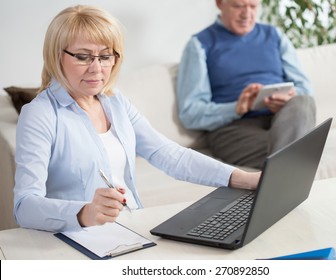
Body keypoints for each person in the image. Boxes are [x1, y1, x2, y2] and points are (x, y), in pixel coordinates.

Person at [13, 5, 260, 233]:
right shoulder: (40, 115)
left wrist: (241, 178)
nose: (97, 68)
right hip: (80, 239)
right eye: (83, 56)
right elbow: (24, 206)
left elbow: (169, 155)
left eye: (105, 56)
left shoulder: (115, 102)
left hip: (132, 229)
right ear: (57, 56)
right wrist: (84, 213)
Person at [176, 0, 316, 169]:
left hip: (283, 121)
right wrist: (236, 108)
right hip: (234, 129)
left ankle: (282, 167)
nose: (247, 14)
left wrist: (288, 98)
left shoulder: (275, 36)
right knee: (295, 153)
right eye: (238, 6)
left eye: (253, 6)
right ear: (220, 3)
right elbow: (190, 113)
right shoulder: (199, 45)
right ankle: (293, 161)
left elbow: (305, 89)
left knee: (303, 102)